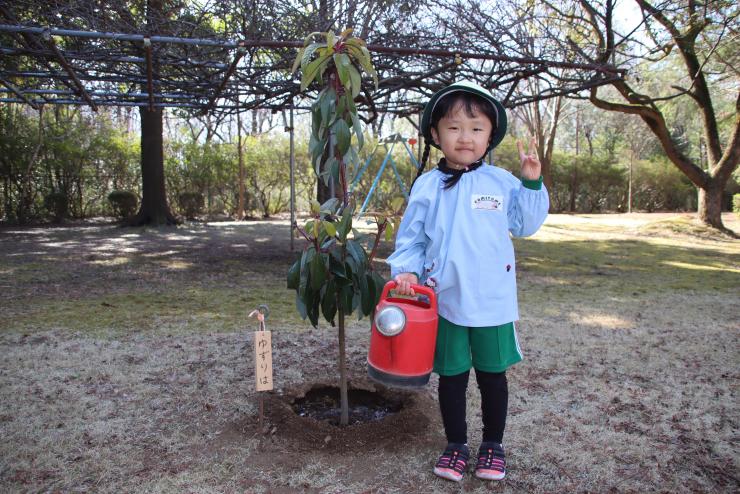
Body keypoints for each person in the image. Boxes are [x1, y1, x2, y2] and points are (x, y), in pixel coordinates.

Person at [386, 80, 549, 482]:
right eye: (454, 127)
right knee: (452, 377)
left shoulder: (501, 182)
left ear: (490, 136)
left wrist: (530, 182)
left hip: (492, 301)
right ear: (436, 134)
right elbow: (413, 239)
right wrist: (405, 270)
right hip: (445, 301)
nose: (465, 137)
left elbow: (525, 225)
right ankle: (456, 444)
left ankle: (492, 444)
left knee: (493, 376)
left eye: (476, 129)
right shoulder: (427, 186)